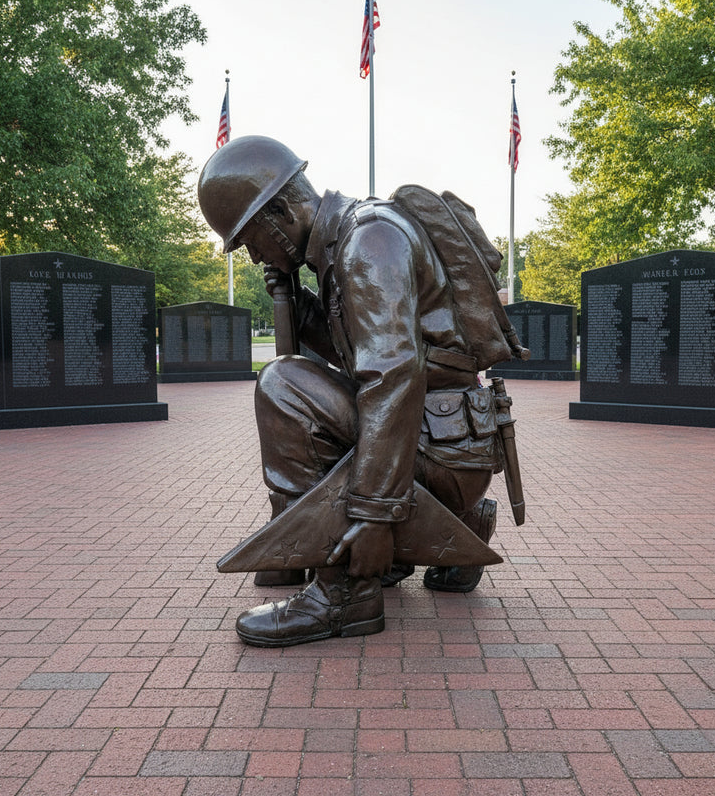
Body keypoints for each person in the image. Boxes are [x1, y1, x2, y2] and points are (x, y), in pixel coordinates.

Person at [198, 135, 524, 647]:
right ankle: (461, 520)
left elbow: (391, 377)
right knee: (303, 383)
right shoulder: (345, 242)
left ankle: (347, 591)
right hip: (446, 444)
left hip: (439, 451)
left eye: (250, 238)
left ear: (280, 211)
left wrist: (372, 517)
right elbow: (358, 352)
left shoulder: (367, 241)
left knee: (284, 385)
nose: (253, 252)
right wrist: (300, 309)